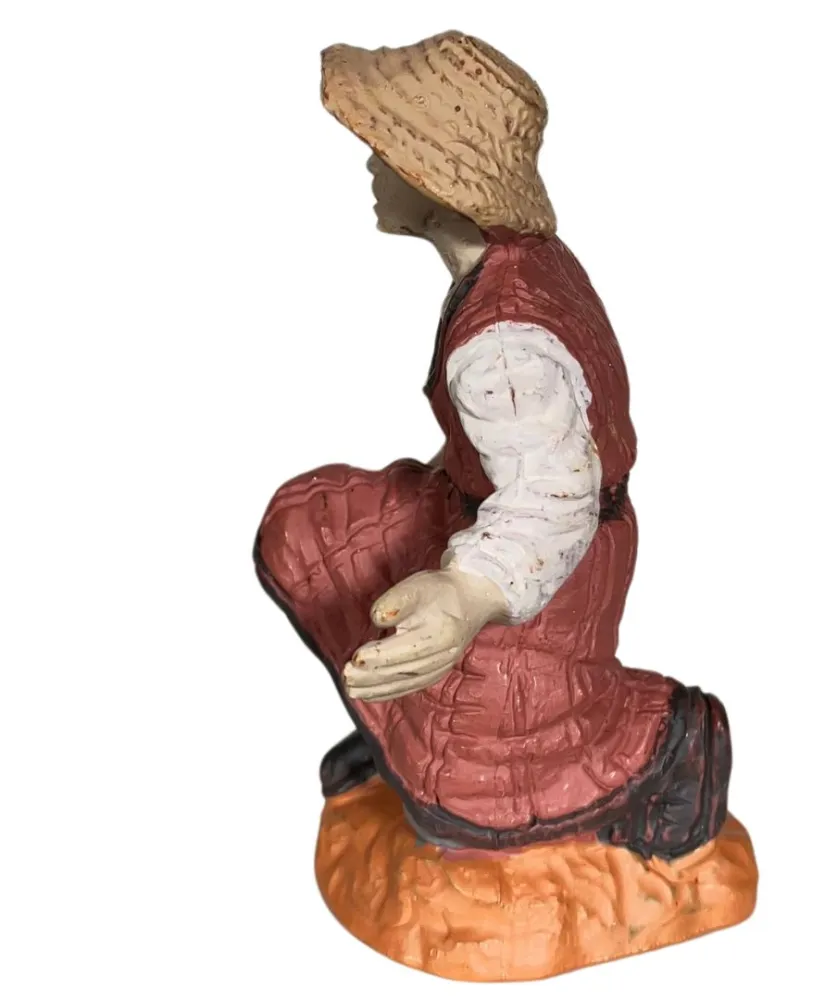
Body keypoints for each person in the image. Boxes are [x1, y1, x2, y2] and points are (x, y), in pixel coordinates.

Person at [255, 31, 731, 860]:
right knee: (319, 532)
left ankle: (670, 741)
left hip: (547, 561)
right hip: (478, 506)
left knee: (482, 775)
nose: (370, 164)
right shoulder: (520, 261)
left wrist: (470, 592)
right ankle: (393, 724)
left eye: (386, 149)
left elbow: (551, 496)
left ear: (433, 180)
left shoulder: (504, 342)